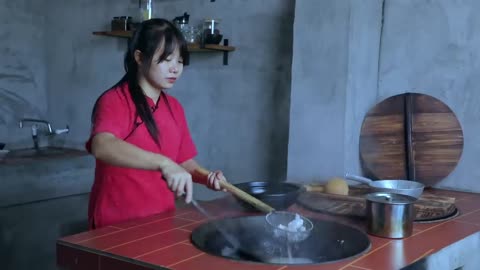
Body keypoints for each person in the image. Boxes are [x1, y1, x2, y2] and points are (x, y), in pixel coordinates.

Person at [85, 18, 227, 229]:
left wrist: (208, 178)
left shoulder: (174, 107)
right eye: (166, 59)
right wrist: (164, 163)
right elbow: (102, 144)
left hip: (161, 220)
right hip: (115, 224)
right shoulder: (115, 100)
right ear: (140, 57)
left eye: (179, 61)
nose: (175, 69)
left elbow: (185, 162)